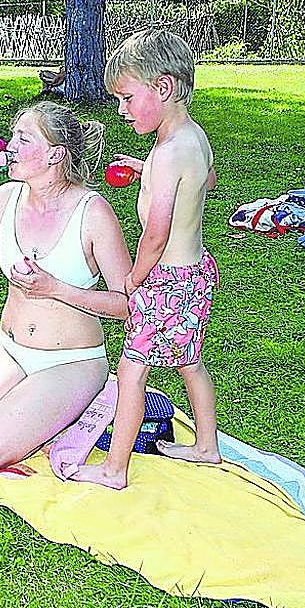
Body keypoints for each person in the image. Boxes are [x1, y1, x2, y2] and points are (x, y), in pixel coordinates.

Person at [0, 102, 133, 469]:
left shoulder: (92, 211)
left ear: (55, 155)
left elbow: (129, 305)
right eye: (13, 137)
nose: (10, 147)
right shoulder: (6, 198)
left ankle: (94, 394)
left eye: (23, 139)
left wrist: (56, 289)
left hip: (71, 360)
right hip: (9, 350)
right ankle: (33, 407)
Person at [71, 29, 221, 490]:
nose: (121, 109)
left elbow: (155, 234)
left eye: (127, 97)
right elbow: (207, 181)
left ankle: (115, 470)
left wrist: (133, 279)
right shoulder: (192, 137)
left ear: (164, 87)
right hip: (195, 272)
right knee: (189, 361)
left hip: (166, 280)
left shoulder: (168, 152)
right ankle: (207, 447)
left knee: (131, 371)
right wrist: (148, 172)